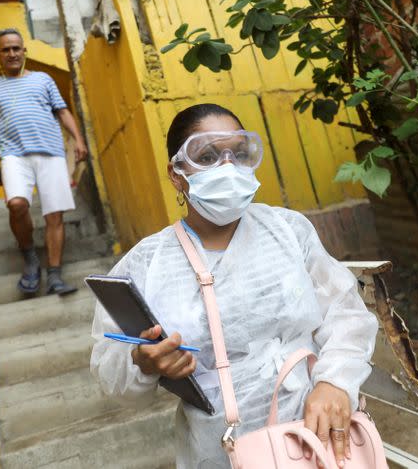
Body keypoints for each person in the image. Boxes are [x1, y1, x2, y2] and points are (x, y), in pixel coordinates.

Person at [90, 103, 378, 468]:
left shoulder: (288, 231)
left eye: (239, 154)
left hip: (315, 434)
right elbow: (108, 363)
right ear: (177, 174)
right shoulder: (147, 264)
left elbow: (345, 313)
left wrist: (335, 381)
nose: (227, 167)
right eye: (207, 156)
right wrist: (144, 364)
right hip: (218, 450)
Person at [0, 28, 88, 295]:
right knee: (16, 204)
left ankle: (54, 274)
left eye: (16, 48)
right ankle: (29, 257)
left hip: (51, 152)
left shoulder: (43, 79)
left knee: (54, 214)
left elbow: (62, 112)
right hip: (13, 155)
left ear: (24, 51)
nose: (12, 53)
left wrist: (78, 140)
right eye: (5, 49)